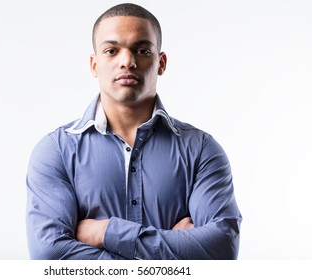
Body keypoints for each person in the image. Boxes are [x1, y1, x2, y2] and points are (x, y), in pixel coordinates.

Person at [26, 3, 242, 260]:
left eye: (141, 50)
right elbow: (49, 254)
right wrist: (171, 252)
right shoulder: (57, 151)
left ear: (161, 62)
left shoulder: (201, 150)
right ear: (94, 65)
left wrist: (105, 232)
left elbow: (222, 248)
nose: (127, 61)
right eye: (111, 50)